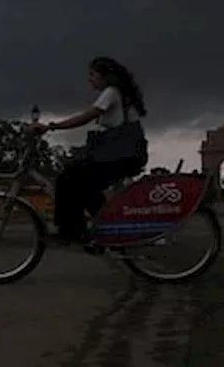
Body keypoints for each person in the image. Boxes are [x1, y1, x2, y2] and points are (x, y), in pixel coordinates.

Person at [30, 56, 149, 246]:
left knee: (69, 177)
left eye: (92, 75)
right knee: (85, 184)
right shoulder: (119, 94)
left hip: (121, 155)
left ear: (105, 76)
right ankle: (107, 230)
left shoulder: (111, 92)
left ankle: (71, 231)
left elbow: (85, 117)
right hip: (126, 154)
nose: (89, 79)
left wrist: (50, 127)